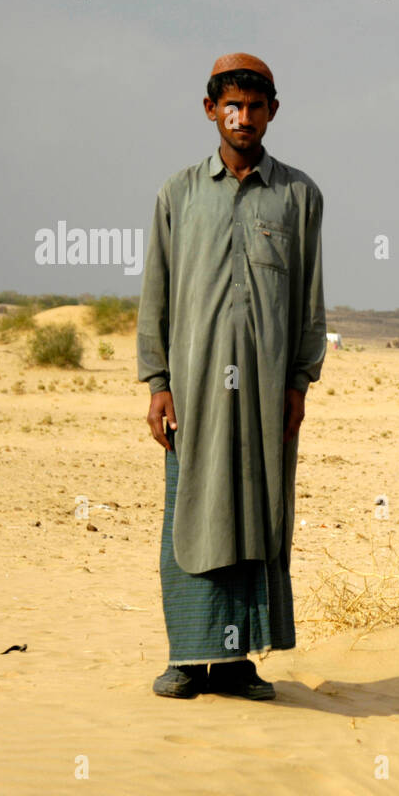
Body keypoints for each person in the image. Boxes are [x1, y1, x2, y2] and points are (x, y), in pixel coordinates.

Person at [136, 53, 327, 700]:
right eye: (231, 105)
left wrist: (299, 383)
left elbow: (309, 300)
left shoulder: (299, 196)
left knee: (257, 517)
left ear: (273, 110)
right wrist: (158, 382)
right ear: (211, 109)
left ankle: (240, 661)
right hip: (194, 392)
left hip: (267, 393)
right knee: (191, 513)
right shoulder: (178, 194)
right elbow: (155, 294)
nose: (242, 117)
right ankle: (188, 659)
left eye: (255, 105)